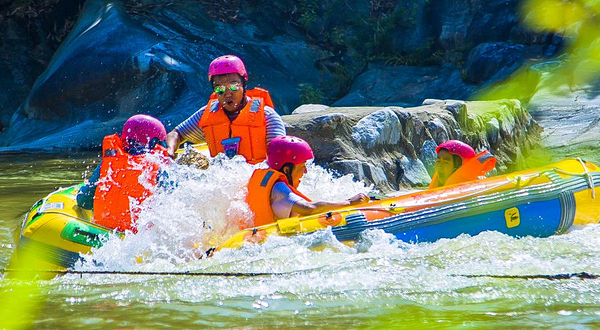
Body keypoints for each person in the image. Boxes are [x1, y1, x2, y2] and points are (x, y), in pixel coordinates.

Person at [166, 55, 286, 164]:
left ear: (244, 85)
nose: (227, 94)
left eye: (233, 86)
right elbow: (175, 134)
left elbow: (280, 158)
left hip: (257, 181)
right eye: (219, 89)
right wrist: (170, 152)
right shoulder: (206, 114)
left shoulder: (268, 116)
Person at [246, 136, 370, 228]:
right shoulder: (279, 189)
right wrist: (350, 202)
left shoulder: (263, 180)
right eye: (302, 166)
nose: (305, 171)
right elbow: (309, 208)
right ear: (287, 169)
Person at [77, 114, 170, 232]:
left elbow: (84, 201)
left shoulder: (109, 161)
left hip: (102, 231)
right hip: (136, 238)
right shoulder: (158, 167)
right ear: (155, 143)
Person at [429, 140, 497, 189]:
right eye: (438, 161)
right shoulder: (438, 187)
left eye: (445, 162)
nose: (439, 165)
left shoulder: (476, 185)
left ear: (459, 167)